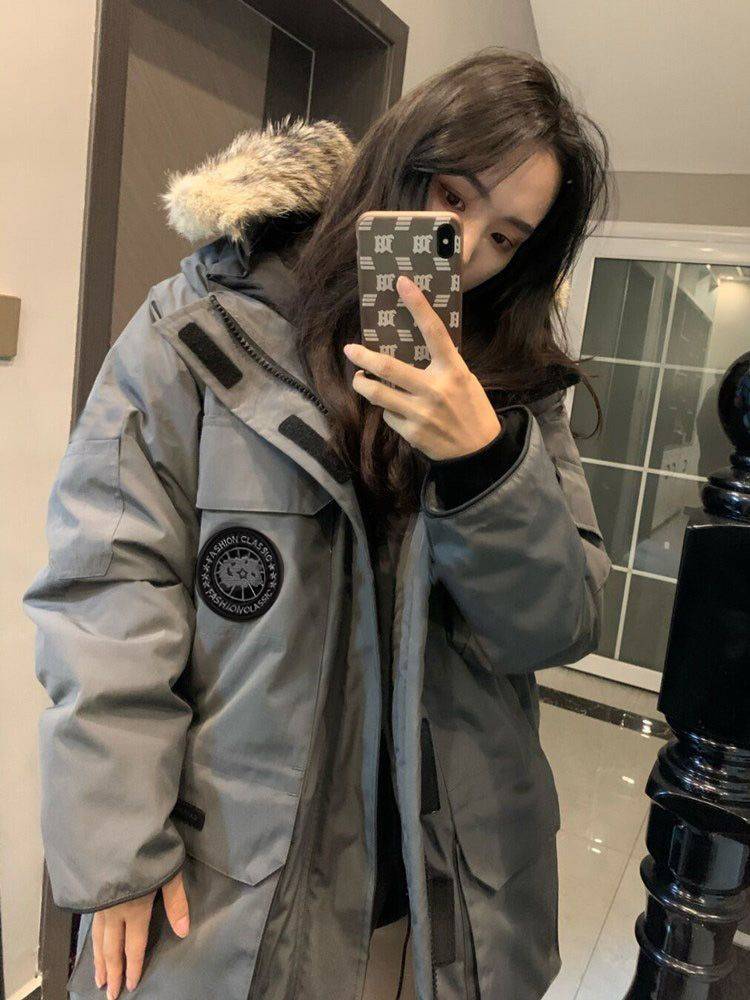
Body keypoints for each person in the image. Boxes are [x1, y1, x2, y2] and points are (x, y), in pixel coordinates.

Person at [22, 46, 612, 1000]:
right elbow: (109, 587)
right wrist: (116, 849)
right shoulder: (199, 328)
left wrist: (483, 461)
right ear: (397, 159)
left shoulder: (514, 384)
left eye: (505, 236)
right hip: (242, 889)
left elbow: (559, 623)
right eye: (449, 197)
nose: (463, 248)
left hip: (442, 901)